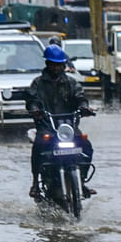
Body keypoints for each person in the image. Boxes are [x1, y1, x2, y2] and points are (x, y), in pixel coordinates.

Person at [27, 45, 96, 199]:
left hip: (68, 128)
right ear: (47, 64)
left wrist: (84, 107)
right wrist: (35, 110)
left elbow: (80, 97)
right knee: (38, 147)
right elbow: (32, 99)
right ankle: (35, 184)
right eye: (53, 64)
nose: (57, 67)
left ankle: (82, 181)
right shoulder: (38, 83)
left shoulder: (71, 83)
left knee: (86, 145)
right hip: (47, 127)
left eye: (59, 64)